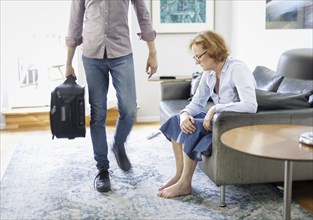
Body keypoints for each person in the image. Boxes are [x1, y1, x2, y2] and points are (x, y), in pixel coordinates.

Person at [65, 0, 158, 193]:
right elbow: (75, 21)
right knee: (98, 114)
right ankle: (102, 169)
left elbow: (143, 14)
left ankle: (118, 143)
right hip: (91, 56)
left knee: (130, 109)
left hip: (122, 53)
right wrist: (68, 62)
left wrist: (152, 51)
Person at [158, 30, 257, 198]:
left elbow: (250, 105)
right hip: (218, 120)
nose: (196, 62)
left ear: (212, 51)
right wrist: (184, 114)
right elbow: (197, 103)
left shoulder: (237, 69)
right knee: (178, 121)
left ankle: (185, 184)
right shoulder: (208, 73)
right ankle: (179, 174)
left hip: (234, 124)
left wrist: (215, 109)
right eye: (194, 57)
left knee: (193, 127)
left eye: (198, 56)